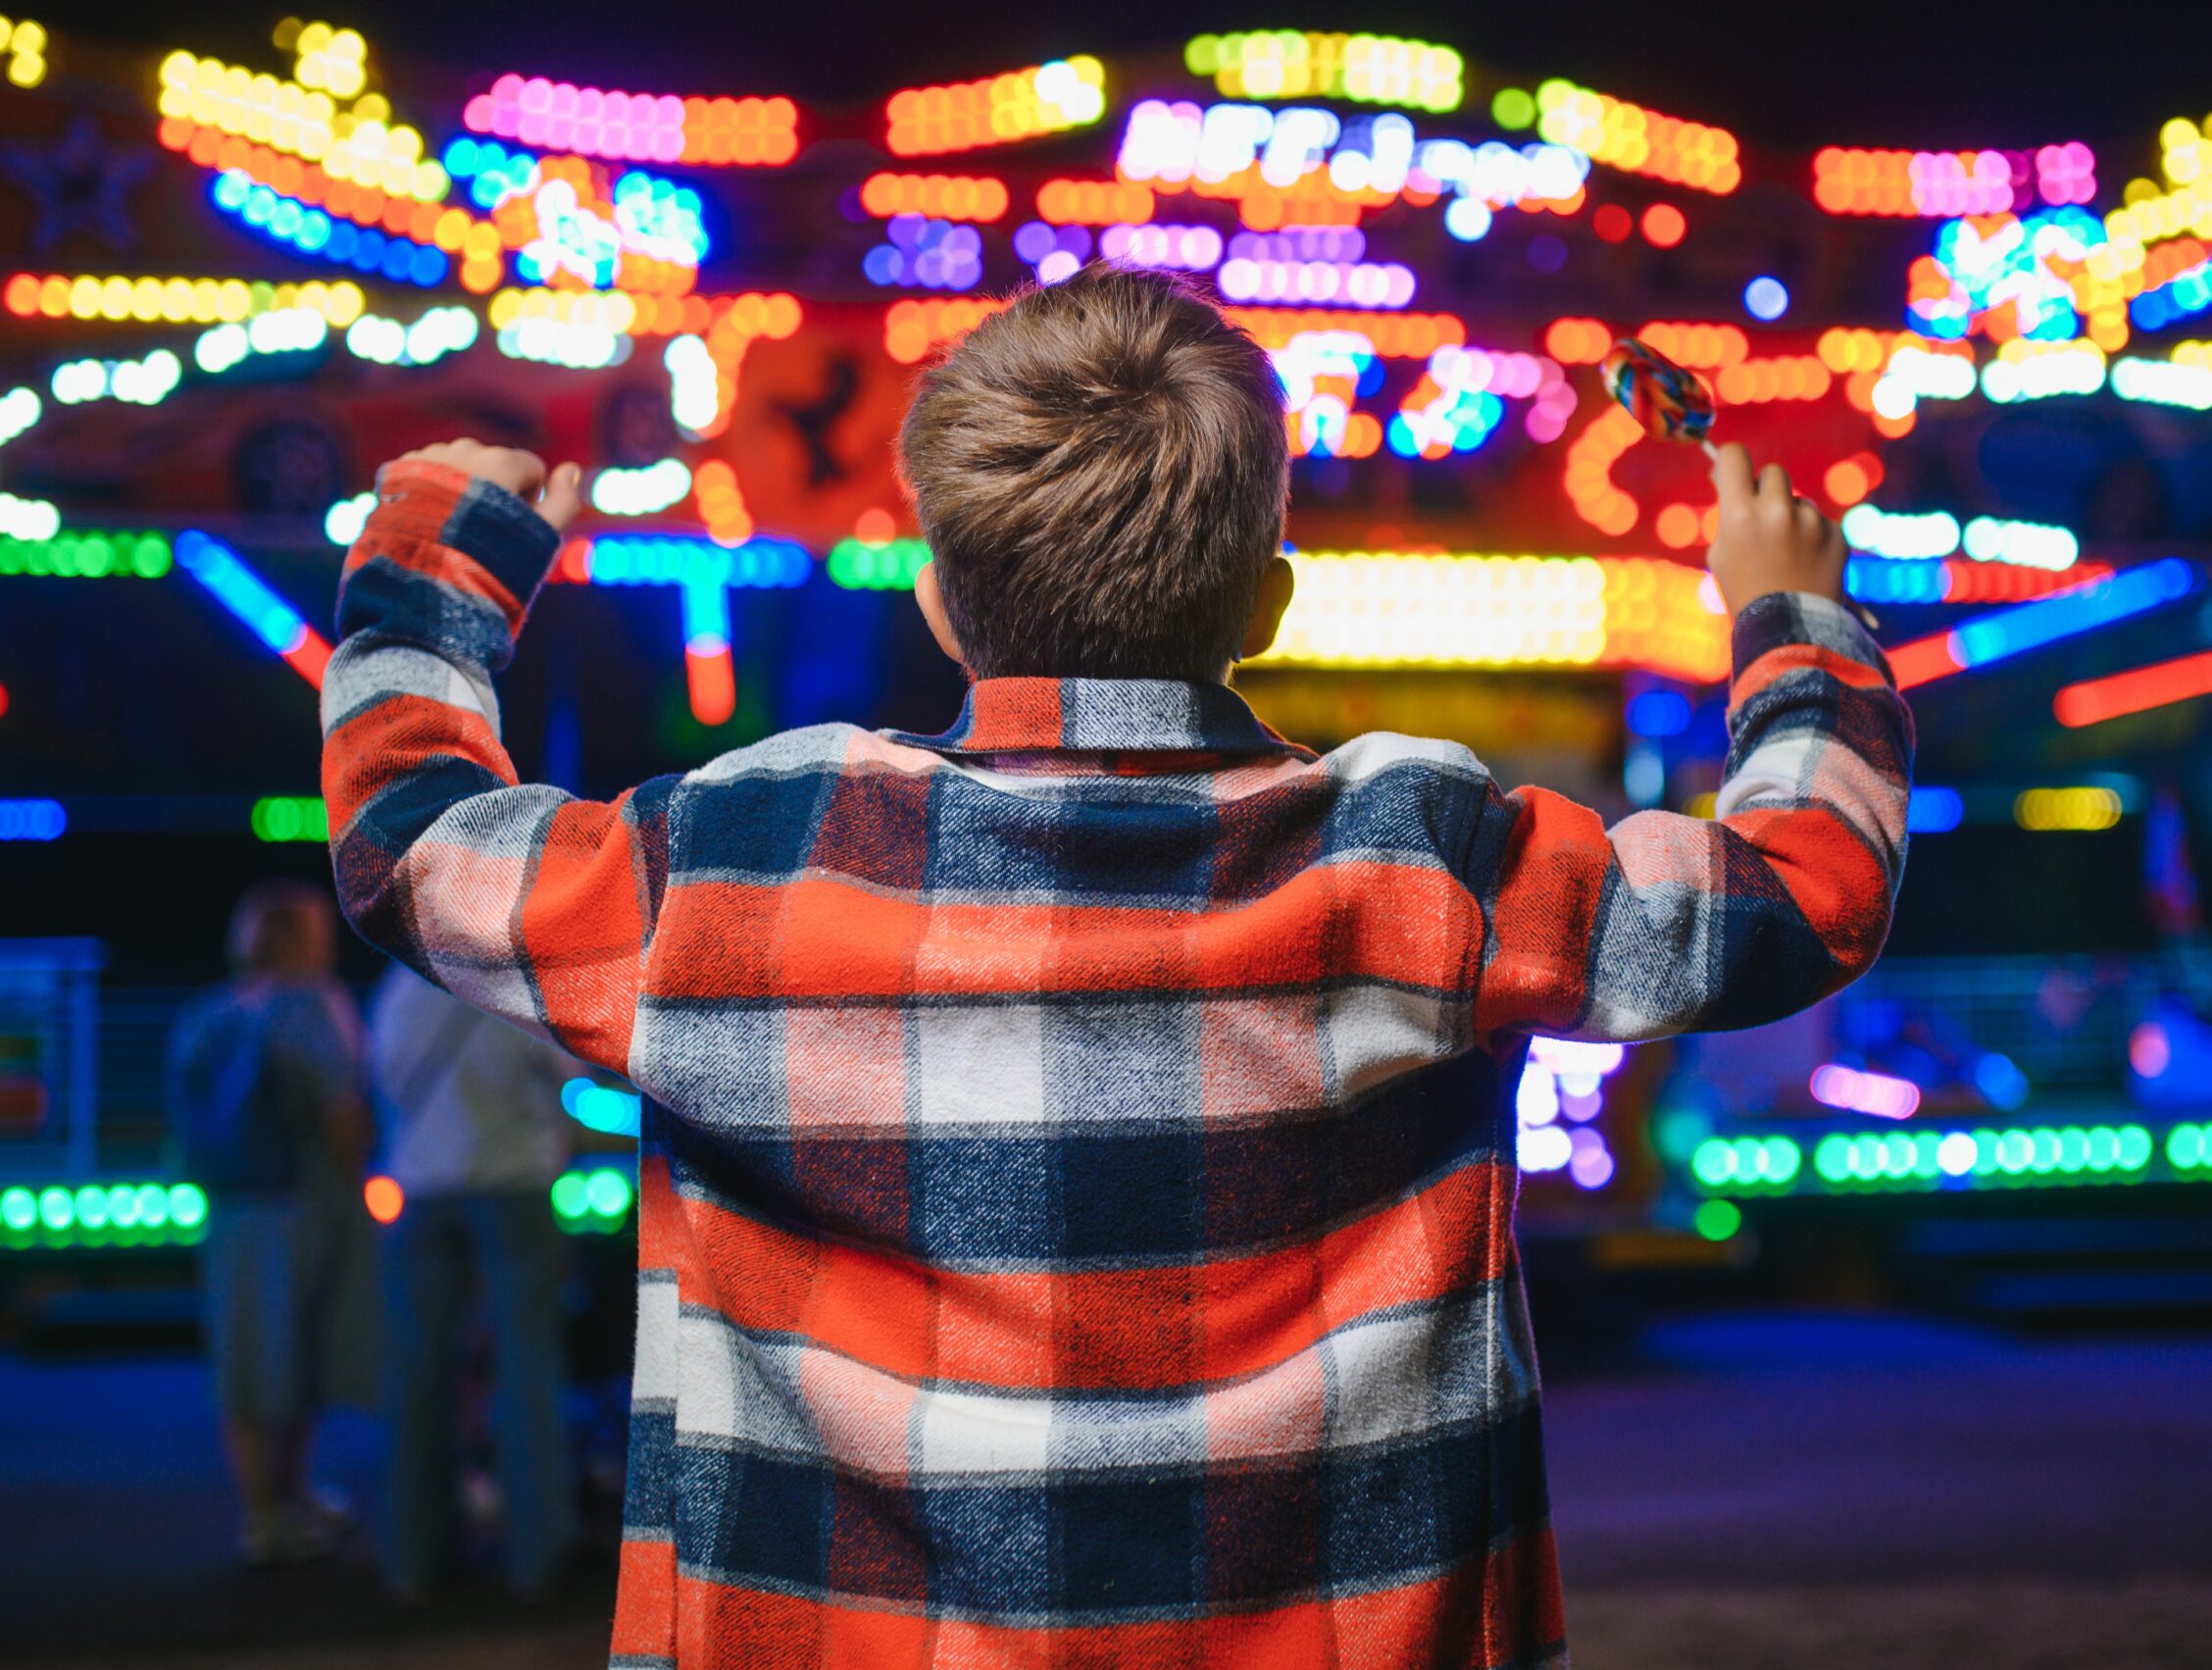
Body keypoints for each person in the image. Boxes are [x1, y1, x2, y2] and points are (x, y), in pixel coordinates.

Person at [319, 266, 1911, 1665]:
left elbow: (412, 838)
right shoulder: (1431, 849)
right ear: (1267, 601)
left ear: (942, 605)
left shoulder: (744, 857)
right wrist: (1795, 620)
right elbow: (1802, 887)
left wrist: (438, 558)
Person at [166, 880, 373, 1567]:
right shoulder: (314, 1005)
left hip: (230, 1206)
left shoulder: (207, 1012)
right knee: (298, 1349)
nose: (331, 945)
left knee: (245, 1358)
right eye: (319, 934)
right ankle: (280, 1511)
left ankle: (266, 1508)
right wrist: (359, 1185)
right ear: (293, 940)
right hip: (302, 1202)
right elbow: (340, 1109)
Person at [369, 961, 583, 1599]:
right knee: (527, 1368)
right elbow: (569, 1080)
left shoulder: (397, 990)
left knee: (417, 1374)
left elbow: (378, 1081)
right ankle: (536, 1554)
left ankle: (413, 1558)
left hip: (422, 1191)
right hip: (514, 1185)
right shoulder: (514, 989)